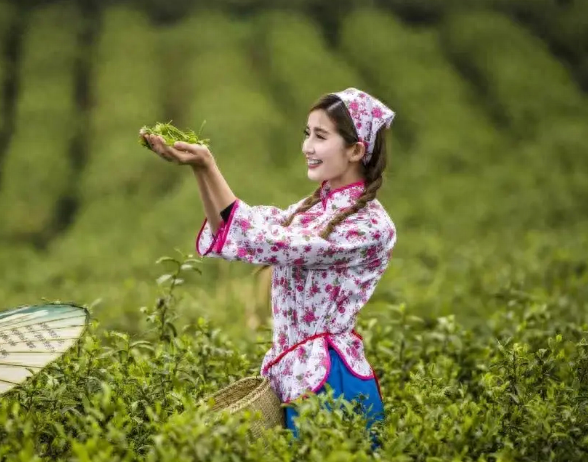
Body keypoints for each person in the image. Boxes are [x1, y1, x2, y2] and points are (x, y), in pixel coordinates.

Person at [140, 88, 397, 447]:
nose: (307, 146)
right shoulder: (311, 210)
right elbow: (235, 231)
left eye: (320, 136)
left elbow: (265, 241)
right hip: (292, 373)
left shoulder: (368, 226)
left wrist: (210, 165)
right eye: (307, 134)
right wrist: (200, 167)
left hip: (330, 380)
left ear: (356, 150)